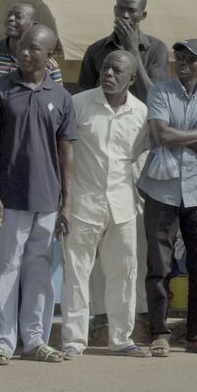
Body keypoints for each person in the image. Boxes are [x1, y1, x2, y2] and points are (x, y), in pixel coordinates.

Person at [0, 25, 76, 365]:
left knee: (40, 270)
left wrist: (66, 203)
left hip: (47, 200)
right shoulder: (0, 89)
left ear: (49, 55)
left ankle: (35, 339)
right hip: (8, 198)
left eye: (34, 48)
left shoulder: (61, 97)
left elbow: (67, 154)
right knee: (4, 269)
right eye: (22, 46)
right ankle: (0, 340)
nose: (24, 53)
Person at [137, 38, 197, 357]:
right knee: (159, 266)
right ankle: (159, 333)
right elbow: (161, 135)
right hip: (161, 190)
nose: (184, 62)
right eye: (180, 56)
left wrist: (181, 138)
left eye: (191, 58)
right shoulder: (160, 92)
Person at [60, 50, 151, 359]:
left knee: (124, 272)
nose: (109, 74)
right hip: (83, 202)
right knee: (77, 273)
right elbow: (65, 151)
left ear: (132, 79)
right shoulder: (78, 104)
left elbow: (137, 156)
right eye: (106, 68)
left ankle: (122, 338)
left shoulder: (140, 113)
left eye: (117, 71)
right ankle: (73, 342)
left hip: (123, 204)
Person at [78, 0, 169, 103]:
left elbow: (156, 100)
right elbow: (84, 95)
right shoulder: (96, 49)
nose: (125, 15)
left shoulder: (157, 49)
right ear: (115, 10)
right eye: (121, 9)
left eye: (132, 10)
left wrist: (132, 49)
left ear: (143, 15)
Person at [0, 3, 62, 83]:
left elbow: (56, 91)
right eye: (8, 15)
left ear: (33, 25)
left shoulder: (48, 64)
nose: (10, 18)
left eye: (18, 16)